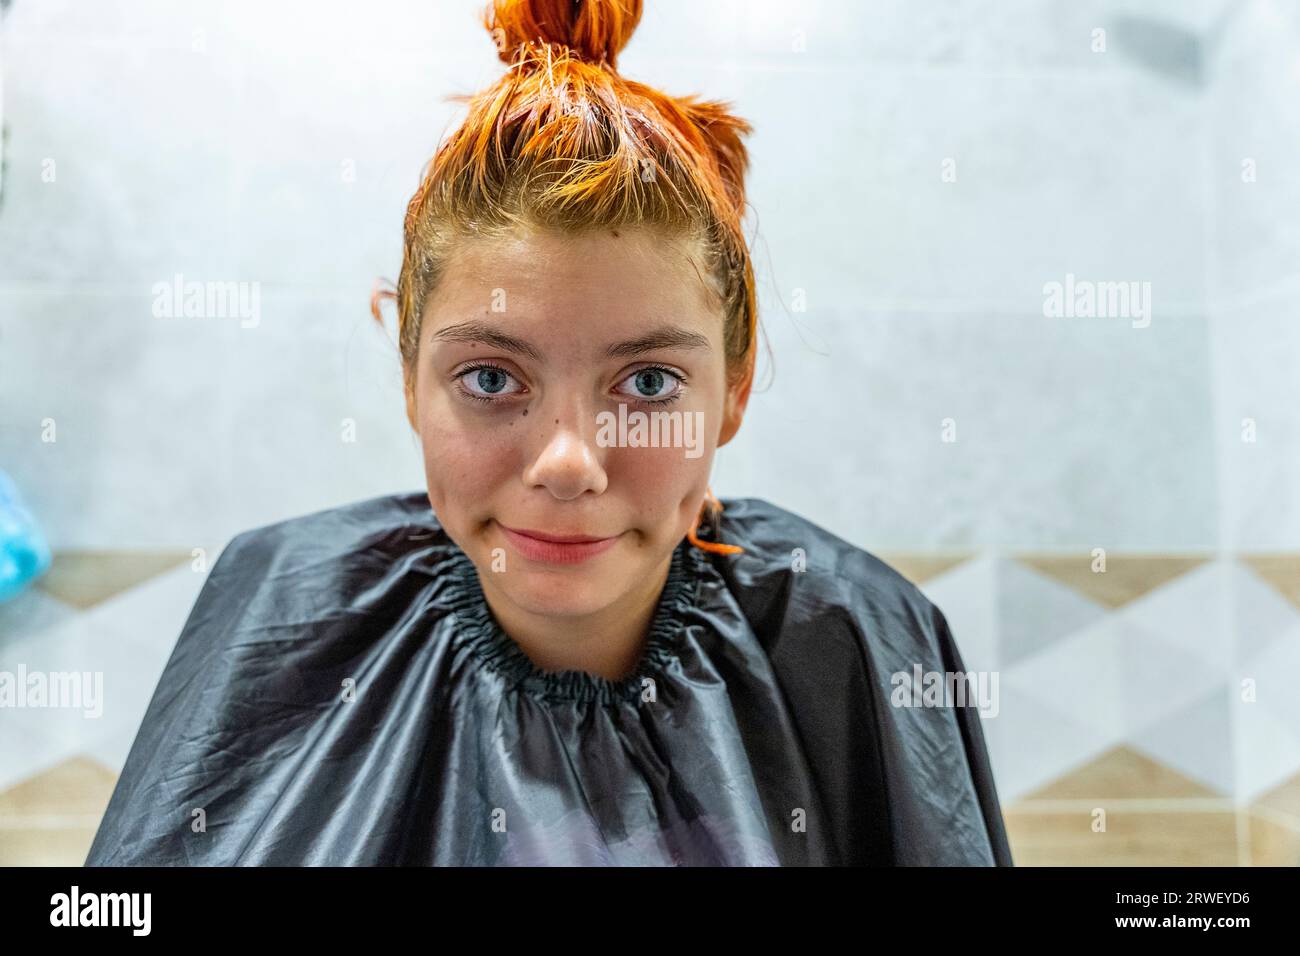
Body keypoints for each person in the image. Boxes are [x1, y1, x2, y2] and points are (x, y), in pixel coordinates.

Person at [85, 0, 1012, 866]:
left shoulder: (859, 638)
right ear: (409, 377)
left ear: (733, 385)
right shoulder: (277, 604)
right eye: (490, 379)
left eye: (648, 383)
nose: (568, 462)